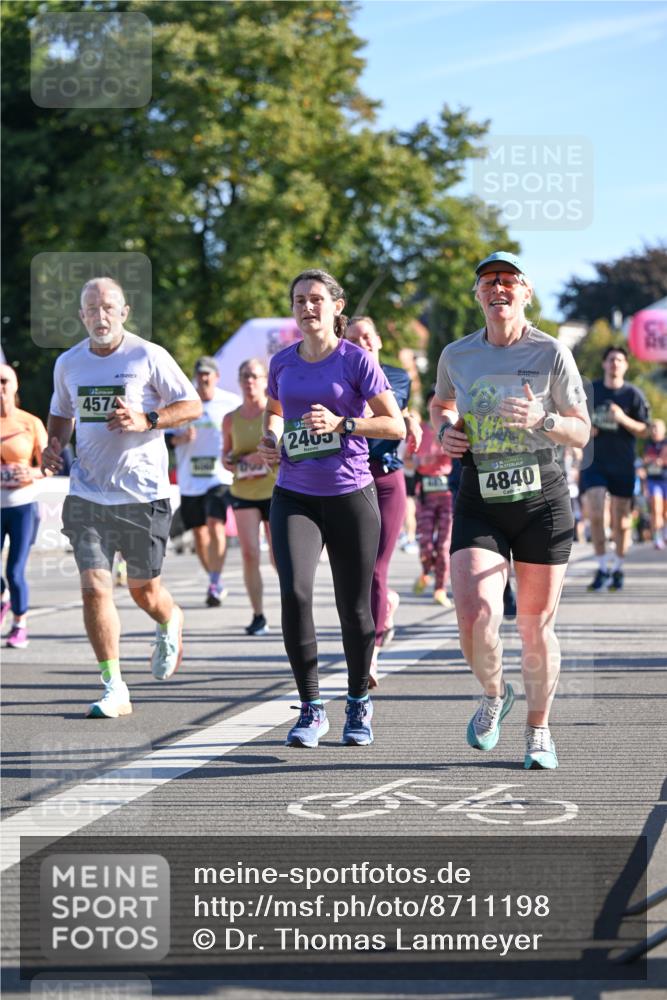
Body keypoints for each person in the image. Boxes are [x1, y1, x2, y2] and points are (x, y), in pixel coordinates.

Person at [430, 251, 590, 770]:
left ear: (526, 292)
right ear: (477, 296)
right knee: (475, 617)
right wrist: (444, 429)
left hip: (541, 499)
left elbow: (581, 430)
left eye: (508, 281)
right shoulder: (457, 354)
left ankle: (539, 730)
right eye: (487, 282)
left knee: (535, 627)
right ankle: (496, 694)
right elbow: (440, 403)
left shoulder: (552, 354)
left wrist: (543, 419)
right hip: (481, 495)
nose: (497, 289)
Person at [41, 277, 202, 719]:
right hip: (88, 492)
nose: (100, 316)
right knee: (95, 588)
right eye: (91, 309)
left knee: (142, 590)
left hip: (142, 495)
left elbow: (191, 406)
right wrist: (54, 447)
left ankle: (170, 620)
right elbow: (60, 413)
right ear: (81, 316)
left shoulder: (148, 355)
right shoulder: (69, 363)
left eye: (108, 307)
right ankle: (114, 686)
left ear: (125, 312)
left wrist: (147, 418)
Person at [258, 268, 405, 748]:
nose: (307, 307)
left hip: (350, 492)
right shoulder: (281, 363)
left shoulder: (356, 360)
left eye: (316, 298)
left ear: (336, 307)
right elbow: (275, 411)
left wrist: (344, 424)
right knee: (296, 593)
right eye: (299, 299)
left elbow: (395, 425)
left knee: (354, 608)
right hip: (294, 492)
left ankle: (359, 701)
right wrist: (271, 439)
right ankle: (311, 707)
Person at [344, 316, 421, 684]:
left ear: (379, 340)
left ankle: (369, 654)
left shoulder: (398, 377)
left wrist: (412, 417)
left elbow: (395, 412)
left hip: (387, 477)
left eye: (368, 336)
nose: (364, 343)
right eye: (355, 339)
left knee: (375, 567)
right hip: (347, 478)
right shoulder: (337, 375)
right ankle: (385, 603)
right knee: (354, 569)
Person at [168, 356, 240, 606]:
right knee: (199, 534)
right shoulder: (181, 402)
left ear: (216, 377)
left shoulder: (230, 403)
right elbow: (164, 436)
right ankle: (213, 578)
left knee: (215, 524)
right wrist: (179, 439)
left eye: (208, 374)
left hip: (219, 476)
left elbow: (245, 429)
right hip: (190, 479)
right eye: (200, 374)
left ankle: (214, 581)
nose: (204, 378)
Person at [580, 346, 649, 591]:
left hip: (623, 463)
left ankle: (618, 567)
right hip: (595, 462)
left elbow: (645, 430)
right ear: (604, 364)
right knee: (596, 513)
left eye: (620, 360)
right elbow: (576, 421)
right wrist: (587, 429)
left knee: (621, 521)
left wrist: (622, 418)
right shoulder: (591, 391)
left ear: (626, 365)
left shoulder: (633, 395)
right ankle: (601, 567)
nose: (615, 364)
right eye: (611, 359)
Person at [222, 358, 277, 635]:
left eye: (255, 376)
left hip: (274, 489)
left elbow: (287, 447)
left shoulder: (275, 412)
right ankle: (258, 615)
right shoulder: (230, 418)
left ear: (265, 380)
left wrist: (263, 455)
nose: (249, 381)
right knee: (249, 553)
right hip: (243, 491)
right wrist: (230, 461)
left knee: (279, 557)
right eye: (245, 376)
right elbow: (226, 454)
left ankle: (294, 606)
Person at [1, 365, 48, 648]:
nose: (0, 386)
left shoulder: (30, 423)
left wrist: (31, 473)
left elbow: (49, 466)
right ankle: (4, 598)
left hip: (22, 505)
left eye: (4, 380)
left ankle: (20, 624)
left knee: (15, 570)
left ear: (15, 385)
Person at [413, 389, 454, 608]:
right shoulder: (420, 431)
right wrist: (422, 461)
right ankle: (425, 572)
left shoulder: (452, 429)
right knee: (426, 544)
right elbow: (407, 462)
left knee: (444, 545)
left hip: (447, 495)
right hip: (426, 495)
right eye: (430, 407)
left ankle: (440, 589)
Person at [642, 418, 667, 549]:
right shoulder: (648, 444)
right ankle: (657, 538)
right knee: (656, 509)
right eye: (653, 427)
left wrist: (661, 461)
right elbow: (645, 461)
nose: (654, 430)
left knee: (665, 512)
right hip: (653, 480)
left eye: (657, 427)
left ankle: (665, 533)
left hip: (665, 479)